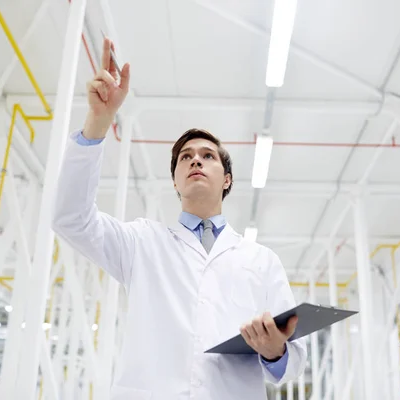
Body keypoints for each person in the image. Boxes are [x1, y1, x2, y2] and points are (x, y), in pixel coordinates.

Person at [52, 38, 307, 400]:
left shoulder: (262, 262)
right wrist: (98, 121)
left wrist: (274, 351)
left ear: (227, 179)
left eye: (207, 156)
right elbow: (70, 218)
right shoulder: (141, 243)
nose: (196, 160)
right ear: (175, 180)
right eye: (185, 157)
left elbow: (293, 363)